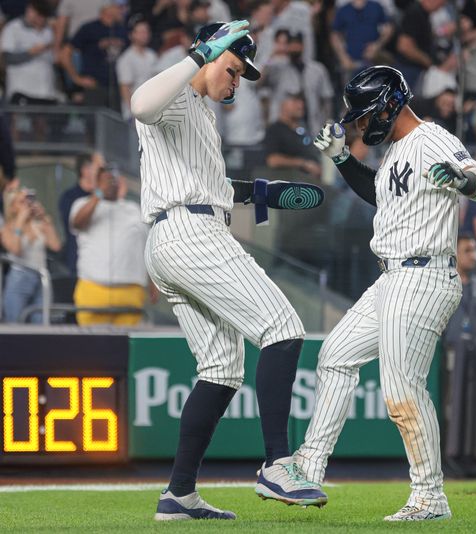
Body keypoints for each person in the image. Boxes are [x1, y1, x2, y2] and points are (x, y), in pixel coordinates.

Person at [130, 20, 325, 520]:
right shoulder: (174, 91)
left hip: (176, 235)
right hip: (190, 234)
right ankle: (278, 464)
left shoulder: (199, 113)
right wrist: (201, 54)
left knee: (220, 369)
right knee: (282, 327)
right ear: (209, 53)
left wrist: (257, 192)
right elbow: (140, 105)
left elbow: (204, 182)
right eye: (234, 69)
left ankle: (179, 494)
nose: (237, 82)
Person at [283, 66, 476, 521]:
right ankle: (309, 466)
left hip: (423, 274)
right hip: (392, 277)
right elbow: (381, 193)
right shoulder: (399, 150)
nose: (360, 125)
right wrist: (342, 158)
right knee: (335, 356)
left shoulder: (431, 138)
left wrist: (462, 181)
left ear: (387, 106)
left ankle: (429, 497)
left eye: (363, 116)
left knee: (402, 389)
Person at [69, 168, 153, 326]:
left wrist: (153, 282)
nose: (111, 183)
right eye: (106, 179)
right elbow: (77, 223)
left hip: (130, 292)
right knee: (92, 346)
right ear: (96, 183)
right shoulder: (83, 203)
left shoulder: (133, 209)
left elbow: (145, 244)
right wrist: (99, 194)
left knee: (128, 347)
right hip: (94, 289)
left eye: (114, 179)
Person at [1, 189, 62, 323]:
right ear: (12, 207)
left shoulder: (38, 225)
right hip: (19, 278)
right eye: (21, 202)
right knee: (15, 323)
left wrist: (44, 217)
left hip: (40, 276)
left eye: (28, 200)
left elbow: (56, 245)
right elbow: (16, 250)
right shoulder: (6, 228)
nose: (26, 205)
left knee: (41, 321)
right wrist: (20, 222)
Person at [58, 152, 103, 277]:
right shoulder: (69, 198)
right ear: (85, 170)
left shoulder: (105, 197)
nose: (104, 172)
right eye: (100, 168)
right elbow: (74, 226)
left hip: (103, 267)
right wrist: (98, 193)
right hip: (79, 267)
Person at [116, 15, 157, 120]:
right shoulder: (126, 59)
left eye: (146, 31)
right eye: (141, 32)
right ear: (131, 35)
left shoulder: (152, 55)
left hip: (152, 109)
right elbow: (124, 88)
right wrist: (133, 113)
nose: (145, 35)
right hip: (134, 114)